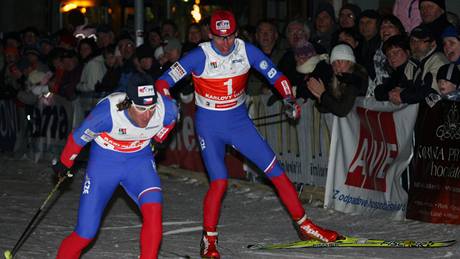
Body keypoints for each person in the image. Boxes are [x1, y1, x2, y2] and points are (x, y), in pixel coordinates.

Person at [154, 10, 339, 259]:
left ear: (236, 33)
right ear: (210, 34)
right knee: (219, 182)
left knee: (277, 172)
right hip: (210, 126)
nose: (225, 43)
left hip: (239, 122)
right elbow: (162, 83)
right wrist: (168, 107)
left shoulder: (246, 50)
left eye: (230, 37)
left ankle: (305, 225)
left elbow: (276, 76)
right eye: (220, 38)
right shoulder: (200, 55)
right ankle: (209, 239)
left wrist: (288, 98)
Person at [53, 73, 178, 259]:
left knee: (154, 214)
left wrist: (160, 139)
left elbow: (173, 117)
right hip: (105, 163)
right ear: (128, 103)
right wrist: (65, 163)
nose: (148, 115)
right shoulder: (108, 112)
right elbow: (78, 138)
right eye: (141, 109)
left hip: (139, 162)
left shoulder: (165, 108)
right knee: (85, 233)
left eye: (152, 108)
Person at [307, 43, 368, 116]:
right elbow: (327, 109)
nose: (336, 67)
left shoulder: (356, 79)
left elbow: (342, 110)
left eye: (340, 61)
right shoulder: (339, 80)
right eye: (333, 64)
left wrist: (323, 95)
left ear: (350, 62)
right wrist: (320, 97)